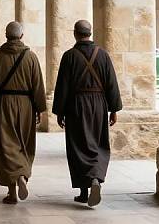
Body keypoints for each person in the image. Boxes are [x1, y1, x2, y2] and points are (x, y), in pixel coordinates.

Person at [52, 19, 122, 207]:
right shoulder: (103, 55)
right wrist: (114, 109)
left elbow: (63, 86)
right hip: (99, 105)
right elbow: (112, 84)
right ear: (90, 33)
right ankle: (95, 180)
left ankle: (84, 191)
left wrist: (59, 111)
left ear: (75, 33)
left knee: (78, 146)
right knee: (98, 143)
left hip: (76, 106)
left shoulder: (69, 56)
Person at [0, 21, 46, 205]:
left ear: (5, 35)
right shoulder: (31, 57)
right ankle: (22, 175)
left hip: (3, 104)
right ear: (22, 36)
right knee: (24, 143)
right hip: (26, 106)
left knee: (6, 146)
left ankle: (12, 192)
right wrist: (40, 108)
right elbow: (37, 84)